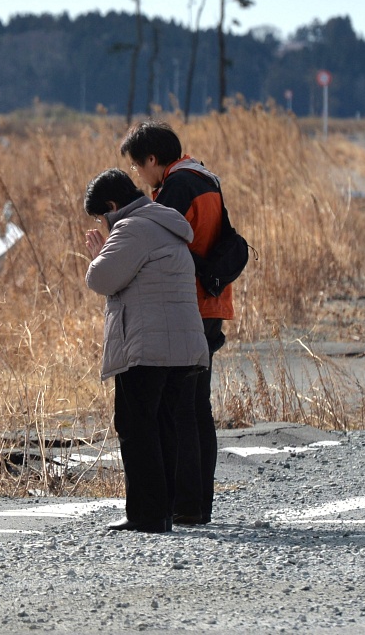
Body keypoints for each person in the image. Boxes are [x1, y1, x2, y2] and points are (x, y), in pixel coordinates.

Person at [83, 168, 209, 534]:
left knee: (136, 426)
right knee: (164, 425)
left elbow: (102, 278)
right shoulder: (166, 223)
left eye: (100, 216)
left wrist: (99, 255)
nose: (103, 224)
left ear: (111, 205)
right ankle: (164, 510)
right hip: (183, 344)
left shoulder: (131, 227)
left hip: (148, 346)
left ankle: (146, 514)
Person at [121, 121, 231, 526]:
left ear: (152, 159)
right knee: (197, 407)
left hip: (189, 305)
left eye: (137, 166)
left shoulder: (178, 186)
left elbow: (158, 241)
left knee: (181, 409)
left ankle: (185, 504)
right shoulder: (205, 175)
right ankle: (197, 504)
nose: (138, 175)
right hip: (212, 302)